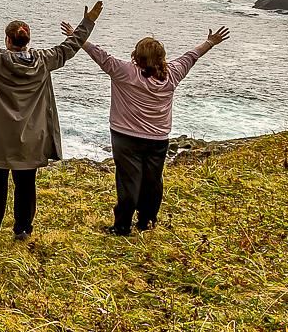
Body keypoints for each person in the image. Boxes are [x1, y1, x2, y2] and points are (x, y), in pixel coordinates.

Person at [0, 0, 103, 242]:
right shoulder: (44, 61)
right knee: (26, 185)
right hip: (31, 137)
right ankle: (23, 230)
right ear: (28, 41)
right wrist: (87, 22)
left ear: (8, 40)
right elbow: (70, 47)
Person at [63, 22, 230, 235]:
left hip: (126, 137)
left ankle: (122, 225)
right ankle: (147, 222)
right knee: (152, 181)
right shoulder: (173, 73)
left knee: (128, 181)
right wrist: (210, 42)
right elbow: (191, 56)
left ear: (136, 56)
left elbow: (99, 54)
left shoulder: (124, 71)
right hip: (158, 138)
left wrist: (77, 36)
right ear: (162, 57)